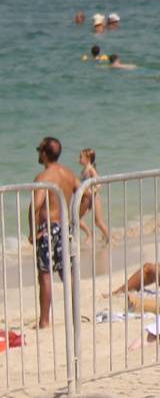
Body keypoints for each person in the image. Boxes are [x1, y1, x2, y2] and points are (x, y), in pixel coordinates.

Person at [29, 138, 78, 327]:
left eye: (39, 149)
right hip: (63, 226)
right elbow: (87, 196)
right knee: (67, 272)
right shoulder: (69, 174)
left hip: (48, 228)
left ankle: (44, 321)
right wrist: (76, 218)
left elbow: (37, 205)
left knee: (45, 274)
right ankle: (74, 316)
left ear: (44, 153)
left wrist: (33, 232)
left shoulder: (44, 177)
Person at [76, 148, 110, 245]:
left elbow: (99, 184)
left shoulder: (91, 169)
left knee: (98, 221)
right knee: (77, 218)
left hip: (94, 198)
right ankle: (89, 233)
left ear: (88, 158)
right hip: (86, 199)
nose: (79, 159)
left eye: (81, 157)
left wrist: (92, 191)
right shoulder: (84, 170)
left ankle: (109, 238)